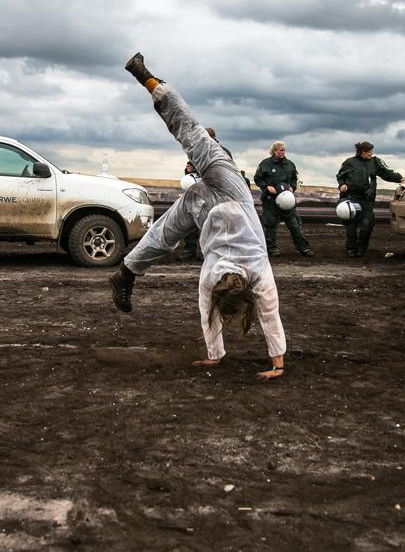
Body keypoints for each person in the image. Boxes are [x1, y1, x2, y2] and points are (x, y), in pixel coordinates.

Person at [110, 53, 286, 380]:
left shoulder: (240, 273)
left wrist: (217, 359)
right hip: (220, 193)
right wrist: (277, 364)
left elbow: (218, 312)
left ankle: (127, 271)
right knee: (163, 235)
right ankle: (126, 270)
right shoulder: (229, 277)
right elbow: (262, 315)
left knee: (163, 230)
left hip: (216, 196)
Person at [336, 142, 405, 257]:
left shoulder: (375, 162)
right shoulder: (349, 163)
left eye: (371, 151)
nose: (370, 154)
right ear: (361, 152)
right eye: (368, 152)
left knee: (367, 226)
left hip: (367, 199)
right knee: (351, 226)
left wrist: (400, 178)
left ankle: (361, 249)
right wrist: (342, 184)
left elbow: (387, 173)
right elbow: (340, 176)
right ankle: (351, 249)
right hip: (351, 197)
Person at [254, 142, 313, 257]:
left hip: (287, 201)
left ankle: (303, 247)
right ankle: (272, 249)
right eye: (281, 150)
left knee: (294, 224)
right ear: (275, 151)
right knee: (270, 225)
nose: (283, 152)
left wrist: (292, 187)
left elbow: (294, 180)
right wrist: (266, 186)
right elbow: (258, 179)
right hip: (271, 200)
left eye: (284, 150)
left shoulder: (290, 164)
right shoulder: (265, 164)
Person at [181, 128, 231, 260]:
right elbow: (191, 173)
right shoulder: (197, 151)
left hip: (216, 193)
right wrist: (188, 171)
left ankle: (209, 252)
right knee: (192, 220)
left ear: (211, 137)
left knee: (212, 223)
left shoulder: (223, 152)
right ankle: (189, 251)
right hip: (198, 191)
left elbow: (229, 172)